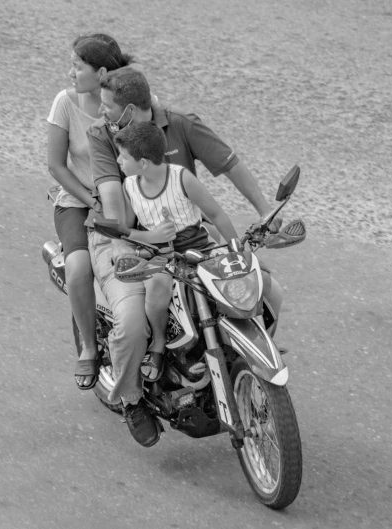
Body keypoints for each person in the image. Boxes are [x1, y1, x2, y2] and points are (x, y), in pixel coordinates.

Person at [85, 66, 282, 447]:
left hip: (194, 239)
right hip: (132, 243)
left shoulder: (181, 126)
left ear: (128, 111)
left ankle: (242, 356)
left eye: (107, 106)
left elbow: (229, 168)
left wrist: (263, 214)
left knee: (270, 291)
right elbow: (115, 207)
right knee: (130, 324)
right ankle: (132, 399)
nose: (100, 113)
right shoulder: (104, 139)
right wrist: (131, 241)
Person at [113, 121, 238, 380]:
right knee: (158, 285)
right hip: (160, 255)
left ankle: (249, 336)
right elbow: (125, 230)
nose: (119, 161)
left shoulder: (182, 178)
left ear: (143, 162)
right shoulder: (130, 186)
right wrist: (150, 236)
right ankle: (159, 342)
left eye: (123, 157)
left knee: (241, 280)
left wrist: (236, 251)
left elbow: (216, 215)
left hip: (200, 247)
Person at [46, 34, 133, 390]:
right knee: (79, 267)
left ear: (100, 72)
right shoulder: (64, 103)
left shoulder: (125, 103)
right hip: (76, 201)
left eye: (76, 66)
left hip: (126, 200)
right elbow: (56, 166)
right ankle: (88, 347)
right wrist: (90, 197)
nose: (70, 73)